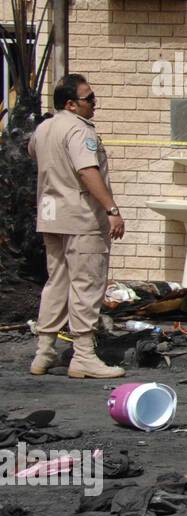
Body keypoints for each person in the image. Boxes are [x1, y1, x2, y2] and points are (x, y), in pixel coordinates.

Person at [28, 74, 126, 379]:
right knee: (87, 282)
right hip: (81, 217)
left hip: (51, 215)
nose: (94, 104)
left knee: (56, 281)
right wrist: (111, 209)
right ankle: (83, 354)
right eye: (89, 98)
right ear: (71, 104)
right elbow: (87, 171)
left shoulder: (44, 129)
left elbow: (34, 154)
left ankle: (44, 352)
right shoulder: (78, 129)